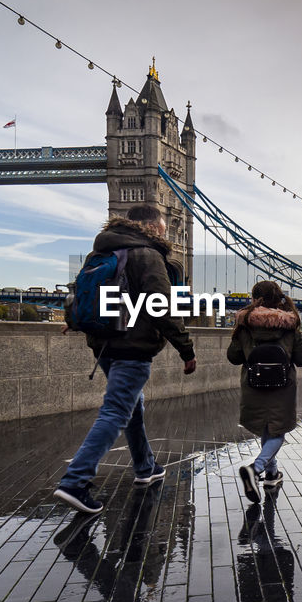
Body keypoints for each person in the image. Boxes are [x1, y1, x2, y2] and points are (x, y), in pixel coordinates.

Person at [54, 204, 196, 515]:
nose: (164, 234)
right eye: (161, 228)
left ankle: (145, 466)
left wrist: (74, 320)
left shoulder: (101, 251)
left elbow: (81, 294)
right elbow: (162, 308)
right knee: (117, 410)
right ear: (149, 227)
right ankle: (75, 481)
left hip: (104, 344)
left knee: (132, 406)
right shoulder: (148, 254)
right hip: (133, 346)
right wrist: (186, 349)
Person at [228, 281, 302, 502]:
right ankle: (255, 470)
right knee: (276, 431)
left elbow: (233, 357)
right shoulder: (289, 325)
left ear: (254, 297)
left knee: (267, 427)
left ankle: (272, 474)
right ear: (279, 298)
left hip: (253, 385)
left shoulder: (245, 324)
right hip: (282, 388)